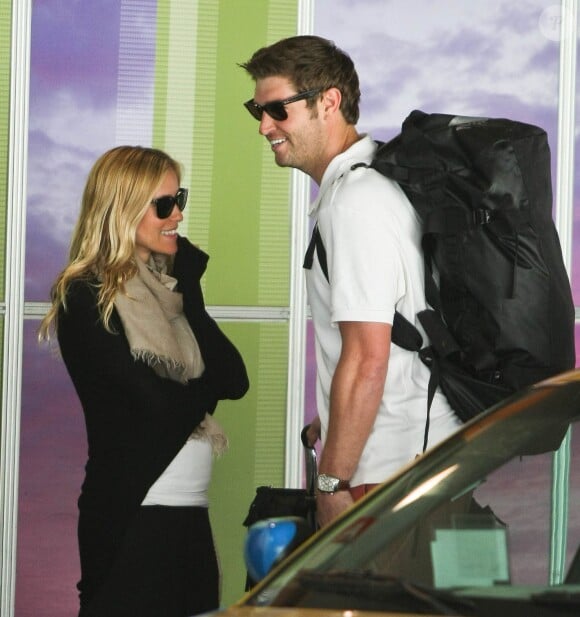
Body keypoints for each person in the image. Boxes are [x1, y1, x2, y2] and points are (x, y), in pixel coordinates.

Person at [241, 35, 461, 527]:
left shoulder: (357, 201)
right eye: (256, 110)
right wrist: (332, 417)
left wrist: (332, 481)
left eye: (277, 109)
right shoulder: (369, 181)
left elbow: (367, 356)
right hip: (412, 463)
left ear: (329, 102)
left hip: (388, 477)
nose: (264, 126)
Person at [39, 146, 249, 617]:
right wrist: (202, 387)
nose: (177, 215)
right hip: (131, 516)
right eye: (163, 204)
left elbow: (235, 378)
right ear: (123, 208)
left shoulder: (170, 294)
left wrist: (191, 292)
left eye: (180, 200)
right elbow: (159, 408)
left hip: (190, 517)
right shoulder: (85, 294)